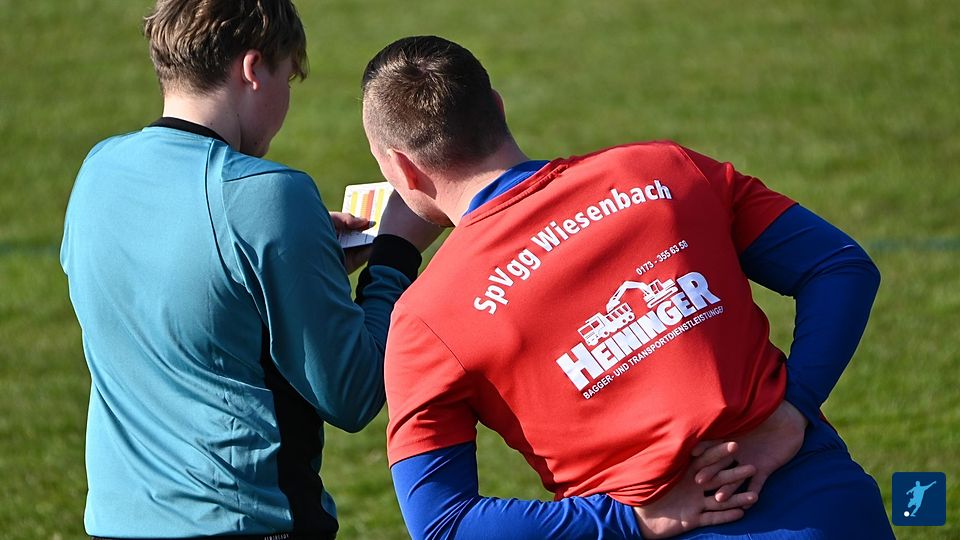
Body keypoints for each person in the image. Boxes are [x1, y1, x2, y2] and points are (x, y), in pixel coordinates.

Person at [360, 36, 895, 538]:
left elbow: (443, 523)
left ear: (402, 170)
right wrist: (791, 410)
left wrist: (630, 519)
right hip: (830, 509)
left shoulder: (426, 318)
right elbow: (839, 266)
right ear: (497, 108)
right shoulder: (662, 168)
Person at [60, 2, 440, 538]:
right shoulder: (266, 193)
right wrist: (397, 254)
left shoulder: (98, 169)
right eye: (289, 77)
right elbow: (352, 392)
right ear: (253, 68)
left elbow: (189, 297)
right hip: (247, 521)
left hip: (116, 522)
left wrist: (301, 261)